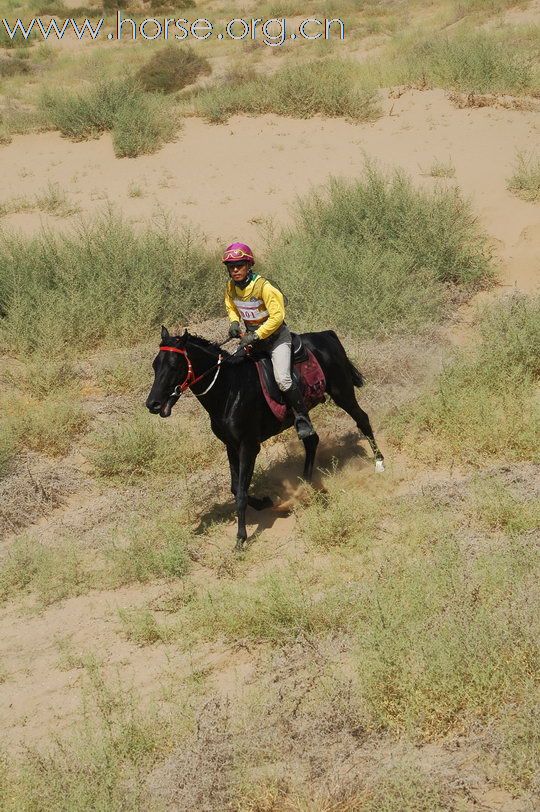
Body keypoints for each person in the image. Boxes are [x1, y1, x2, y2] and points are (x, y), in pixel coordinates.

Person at [223, 241, 315, 440]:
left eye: (239, 265)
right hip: (252, 340)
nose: (235, 270)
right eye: (231, 267)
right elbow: (230, 304)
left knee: (282, 379)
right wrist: (233, 322)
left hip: (276, 339)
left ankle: (302, 418)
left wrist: (255, 335)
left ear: (249, 266)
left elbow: (277, 316)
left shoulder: (264, 287)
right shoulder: (231, 286)